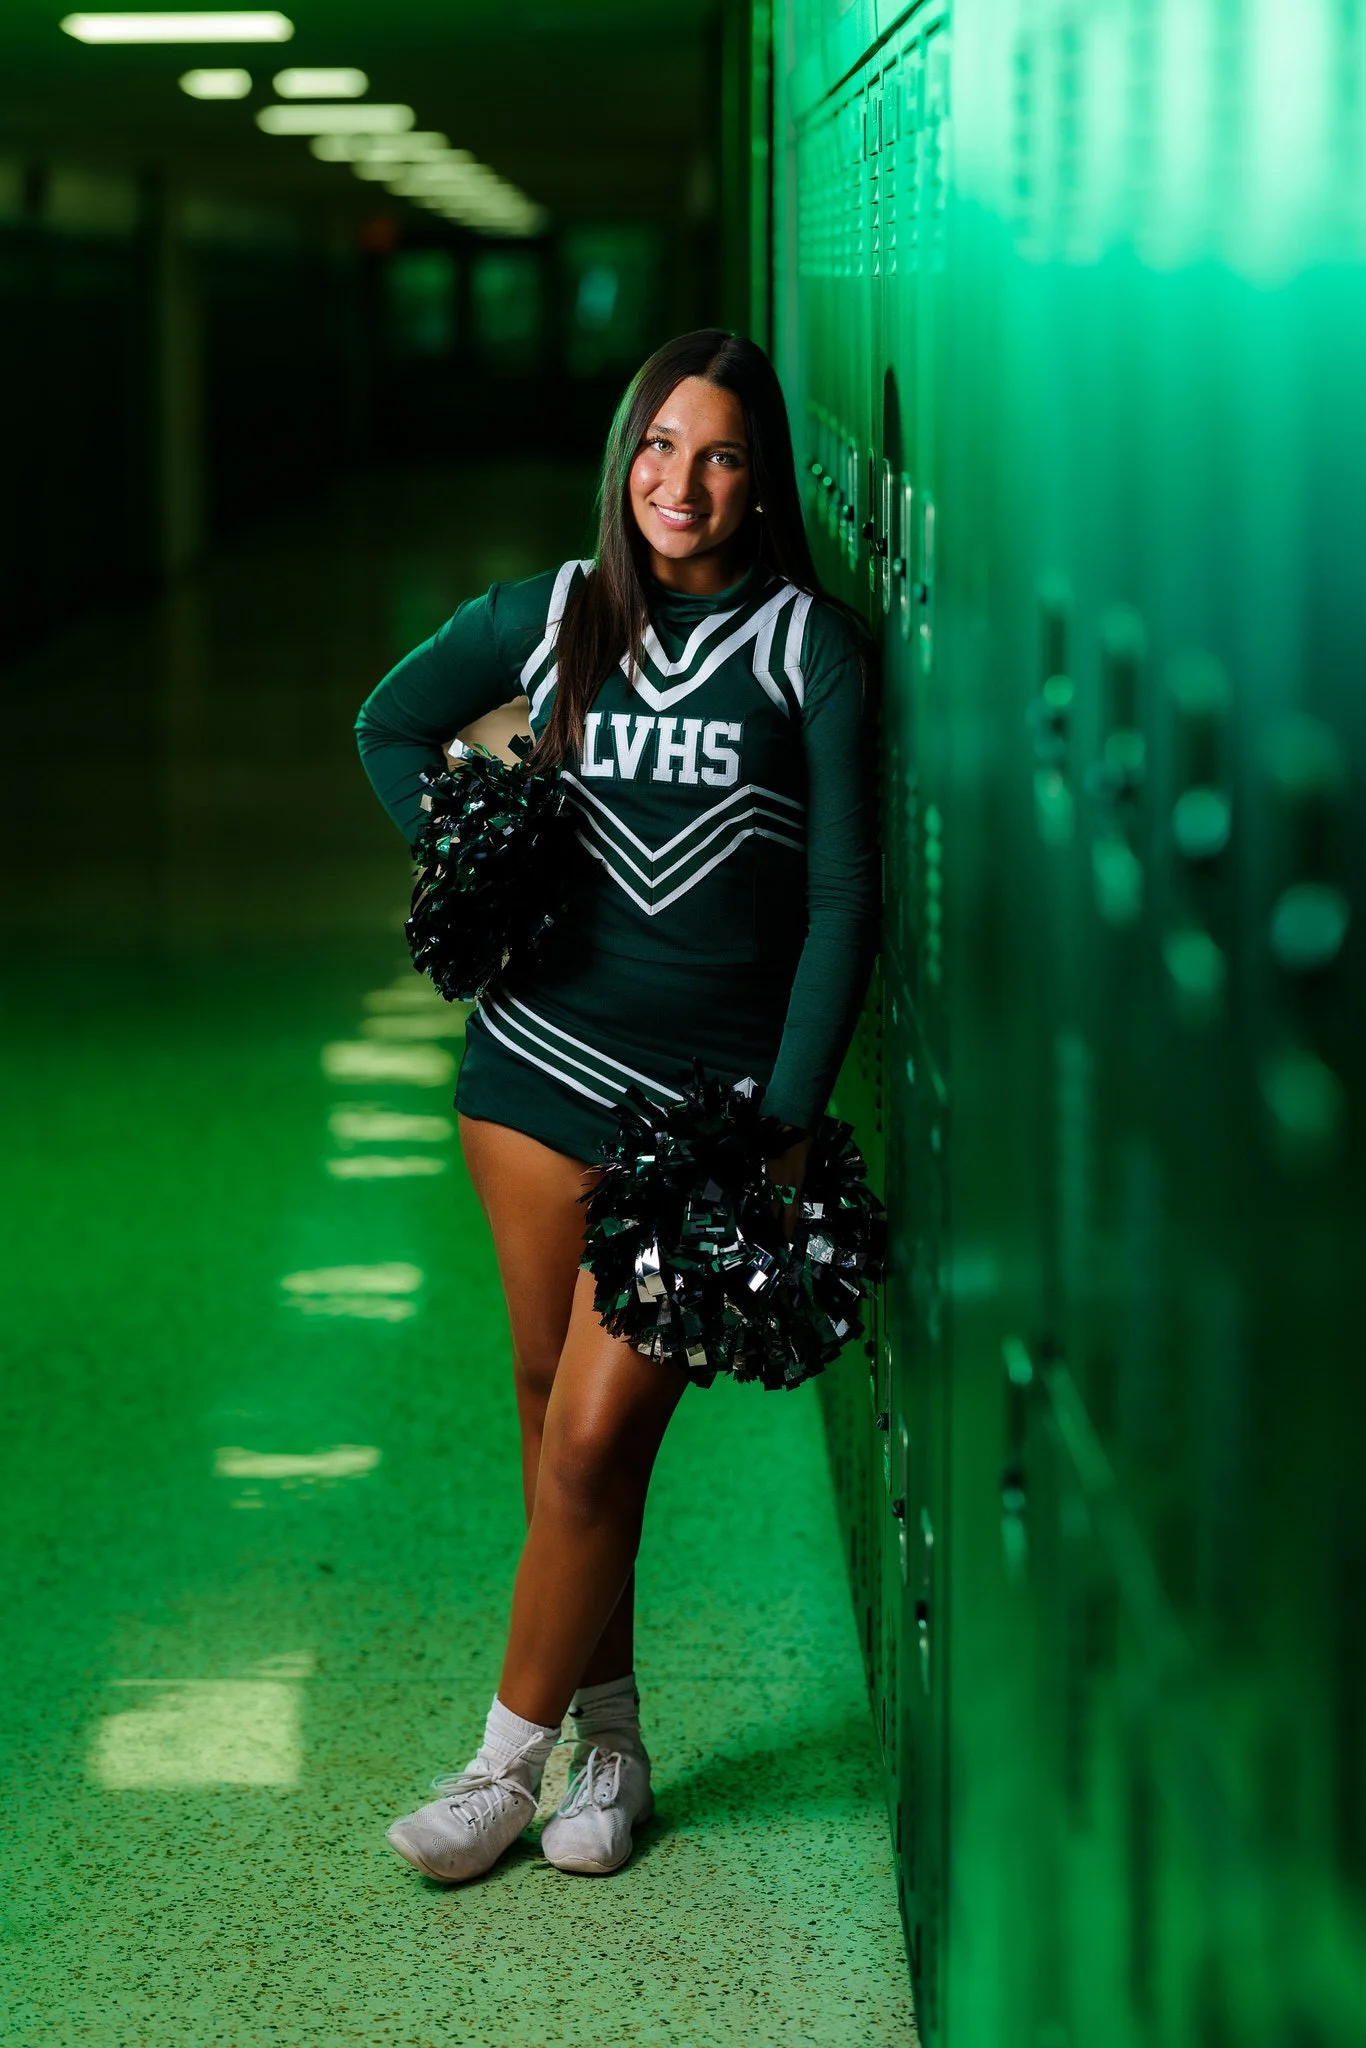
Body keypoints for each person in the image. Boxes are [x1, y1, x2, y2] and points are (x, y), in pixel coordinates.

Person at [355, 327, 877, 1883]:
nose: (681, 483)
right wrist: (479, 852)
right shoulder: (554, 616)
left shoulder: (810, 648)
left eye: (719, 455)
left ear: (762, 477)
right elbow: (391, 722)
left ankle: (496, 1771)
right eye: (657, 447)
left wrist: (779, 1123)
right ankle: (615, 1752)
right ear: (621, 460)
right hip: (531, 1078)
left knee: (591, 1447)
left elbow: (845, 901)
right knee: (545, 1416)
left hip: (699, 1118)